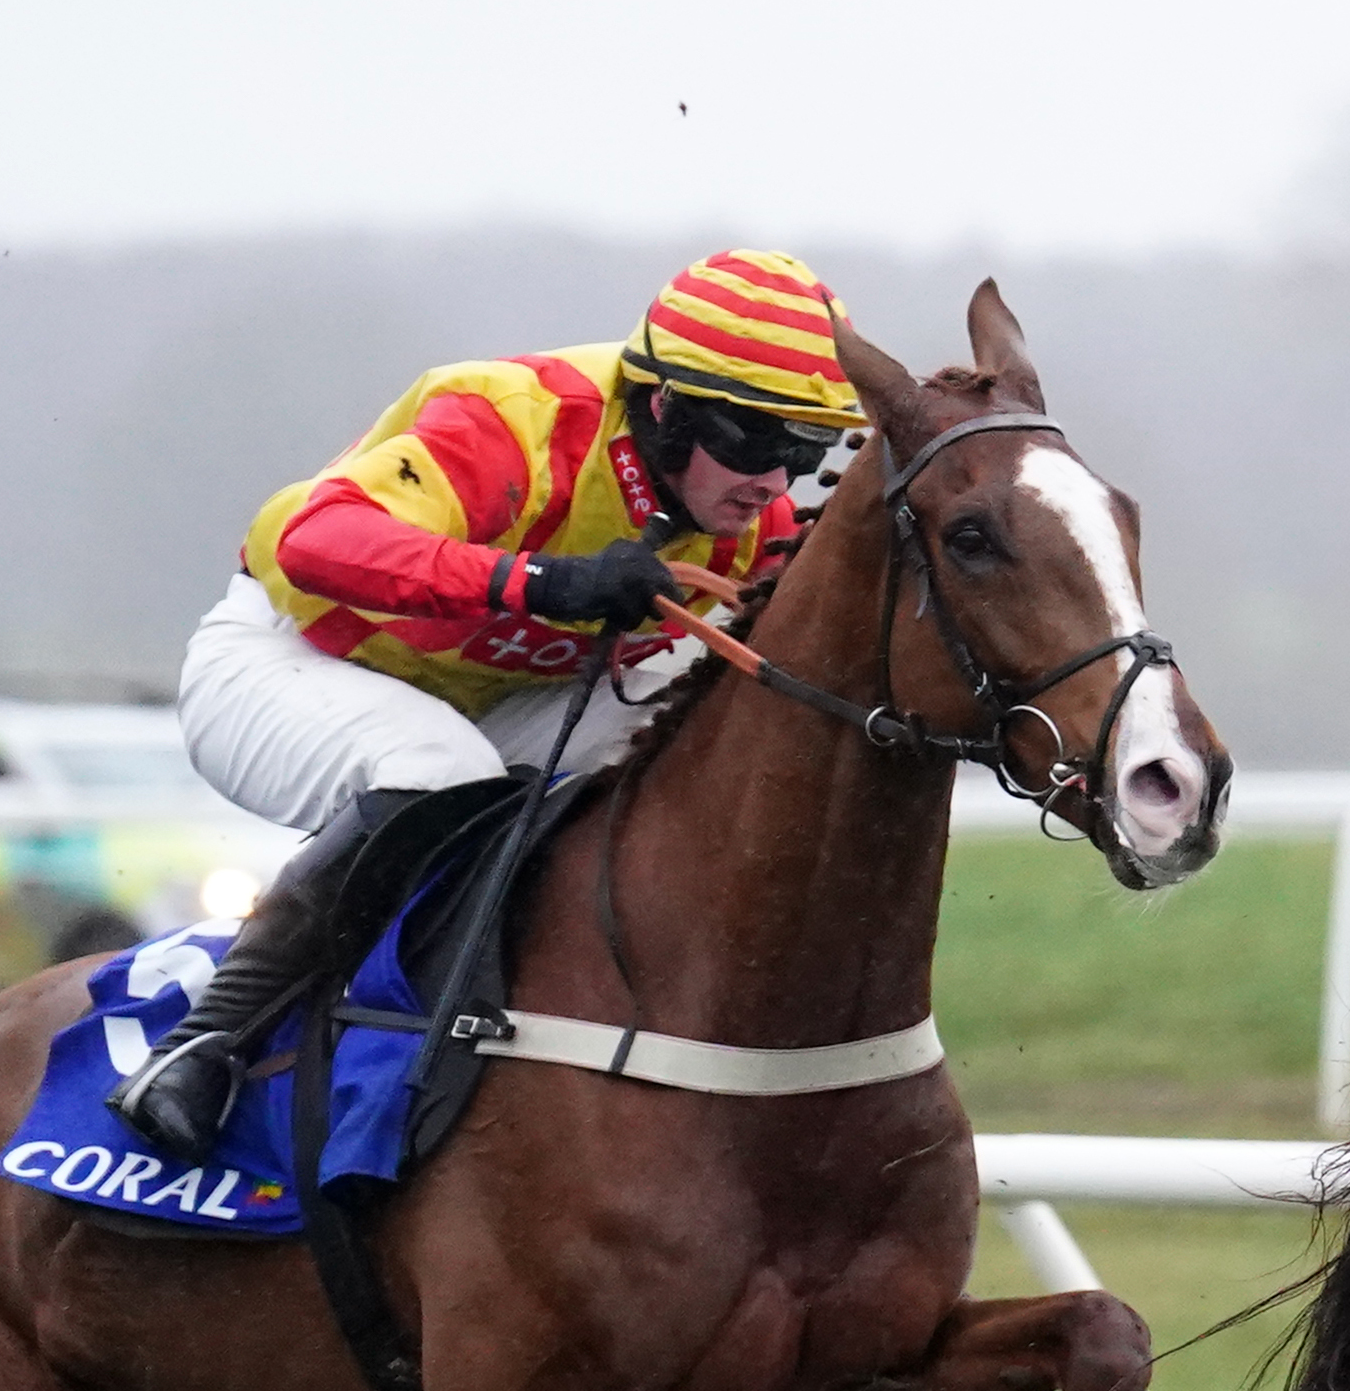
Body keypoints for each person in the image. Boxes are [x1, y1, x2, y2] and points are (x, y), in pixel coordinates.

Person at [108, 249, 868, 1158]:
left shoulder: (756, 526)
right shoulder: (515, 420)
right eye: (754, 442)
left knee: (692, 734)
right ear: (663, 403)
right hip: (292, 654)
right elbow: (312, 538)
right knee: (439, 769)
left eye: (804, 450)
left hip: (504, 694)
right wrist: (540, 582)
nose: (773, 484)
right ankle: (204, 1043)